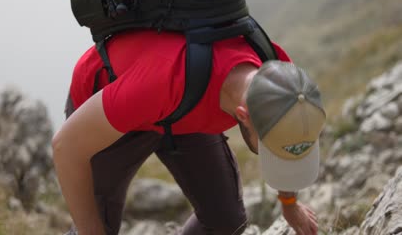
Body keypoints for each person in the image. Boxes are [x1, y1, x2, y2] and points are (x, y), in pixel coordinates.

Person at [52, 29, 325, 235]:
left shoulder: (283, 80)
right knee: (95, 226)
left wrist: (289, 204)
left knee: (224, 221)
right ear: (243, 115)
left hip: (184, 108)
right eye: (267, 146)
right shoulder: (163, 81)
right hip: (110, 114)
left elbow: (285, 140)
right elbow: (65, 147)